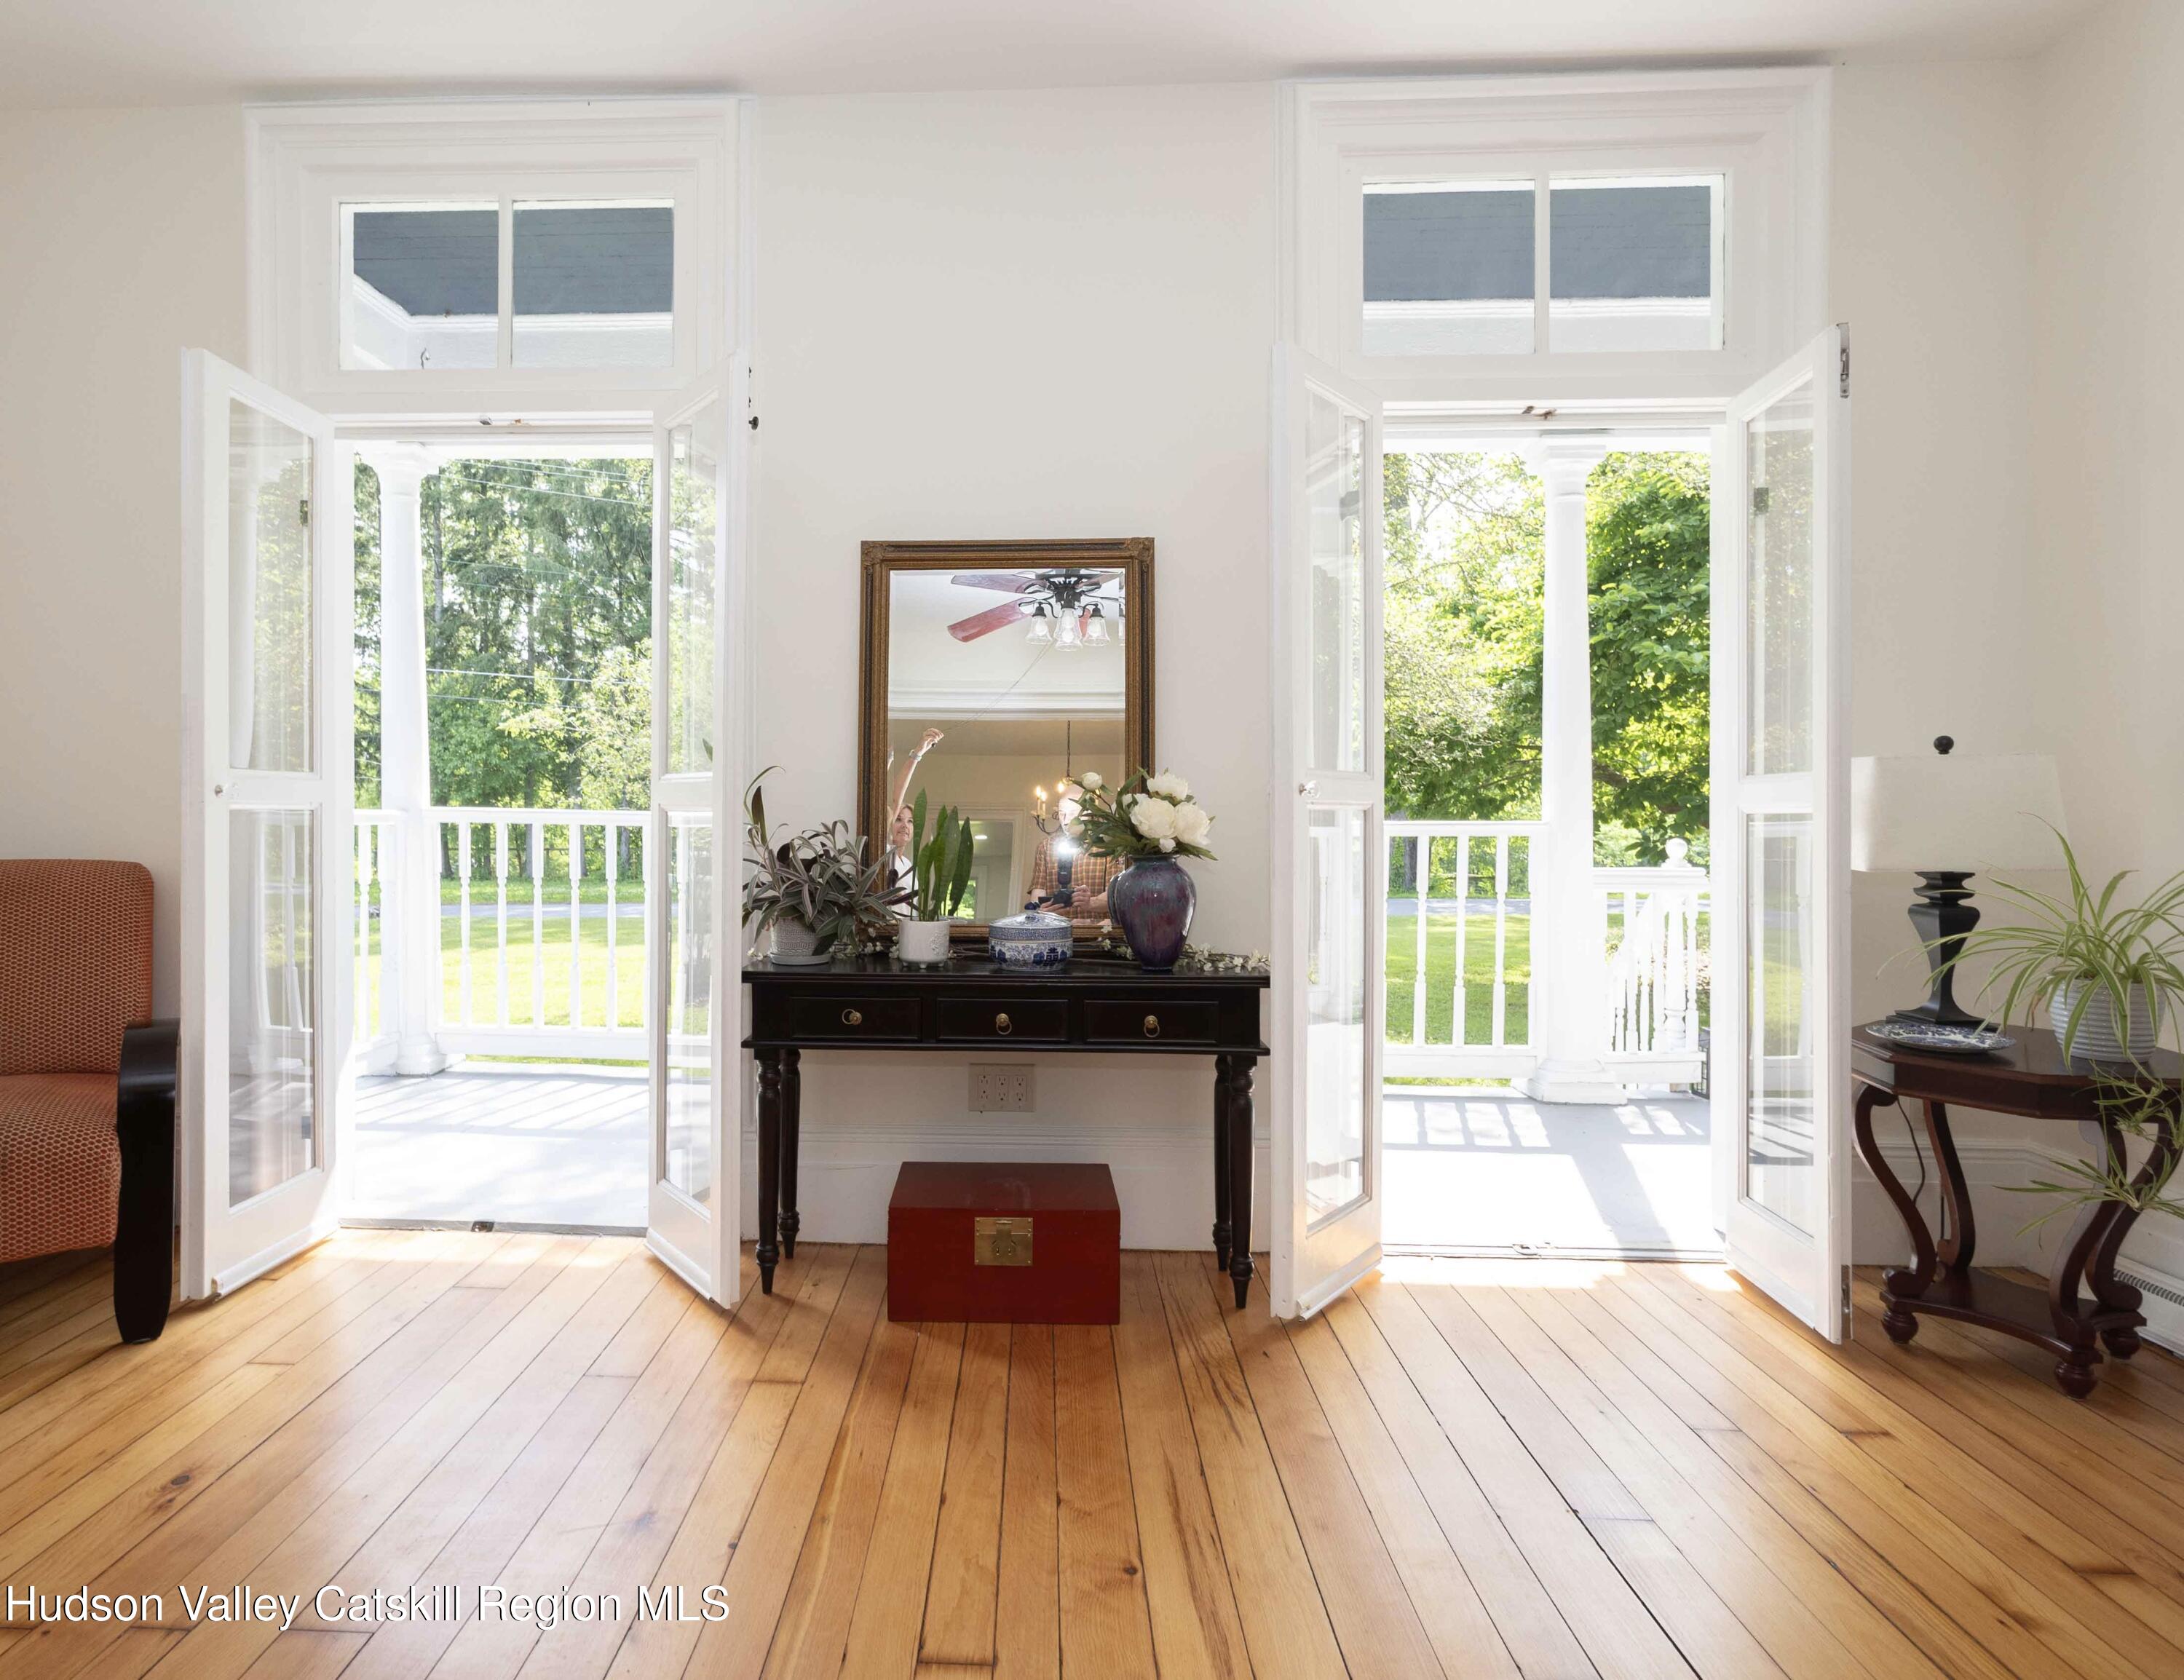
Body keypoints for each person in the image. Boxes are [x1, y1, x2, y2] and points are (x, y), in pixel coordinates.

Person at [1024, 836, 1120, 924]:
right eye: (1061, 816)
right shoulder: (1047, 846)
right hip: (1056, 931)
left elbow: (1115, 896)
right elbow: (1038, 894)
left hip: (1099, 932)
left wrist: (1090, 903)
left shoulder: (1107, 844)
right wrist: (1042, 912)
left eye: (1072, 816)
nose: (1066, 818)